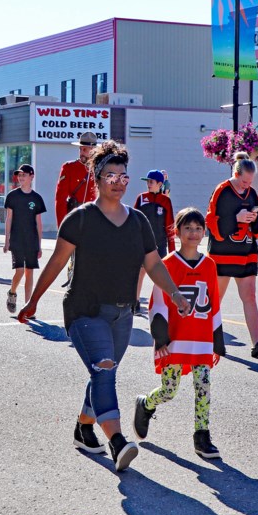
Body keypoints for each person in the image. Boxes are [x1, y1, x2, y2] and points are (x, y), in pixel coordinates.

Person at [17, 140, 191, 472]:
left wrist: (175, 294)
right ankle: (117, 441)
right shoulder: (80, 219)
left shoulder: (138, 221)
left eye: (123, 175)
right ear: (97, 178)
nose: (118, 181)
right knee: (105, 368)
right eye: (110, 175)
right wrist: (33, 300)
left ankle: (84, 428)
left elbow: (153, 264)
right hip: (85, 311)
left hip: (123, 315)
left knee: (102, 374)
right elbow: (56, 263)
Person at [133, 207, 226, 458]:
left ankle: (202, 436)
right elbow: (158, 303)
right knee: (169, 390)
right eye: (188, 228)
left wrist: (218, 339)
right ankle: (146, 403)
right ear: (177, 231)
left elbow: (214, 303)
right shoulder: (168, 264)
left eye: (198, 229)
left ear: (204, 232)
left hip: (201, 338)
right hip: (175, 338)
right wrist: (161, 337)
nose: (193, 233)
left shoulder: (210, 265)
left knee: (203, 386)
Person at [206, 152, 258, 358]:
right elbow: (212, 222)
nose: (247, 185)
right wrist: (236, 218)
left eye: (250, 182)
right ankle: (210, 340)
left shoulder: (252, 194)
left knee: (250, 297)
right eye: (244, 181)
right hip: (223, 255)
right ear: (236, 173)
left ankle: (257, 343)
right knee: (215, 299)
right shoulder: (222, 190)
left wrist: (253, 219)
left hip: (246, 253)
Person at [3, 165, 46, 314]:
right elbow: (9, 219)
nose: (21, 177)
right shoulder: (12, 196)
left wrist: (39, 245)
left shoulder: (37, 198)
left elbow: (39, 224)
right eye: (19, 175)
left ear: (31, 176)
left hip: (32, 241)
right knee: (20, 271)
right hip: (16, 239)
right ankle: (12, 293)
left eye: (24, 175)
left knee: (29, 273)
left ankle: (28, 307)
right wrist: (6, 240)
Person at [133, 170, 175, 314]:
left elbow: (170, 226)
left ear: (159, 184)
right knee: (139, 274)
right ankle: (135, 302)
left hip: (160, 245)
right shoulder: (141, 198)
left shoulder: (166, 201)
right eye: (147, 181)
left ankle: (159, 304)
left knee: (160, 276)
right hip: (142, 244)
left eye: (151, 181)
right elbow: (133, 221)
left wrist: (173, 251)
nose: (148, 184)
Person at [54, 132, 97, 227]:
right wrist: (62, 226)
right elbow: (60, 199)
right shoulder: (69, 168)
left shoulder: (100, 169)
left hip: (95, 219)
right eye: (80, 149)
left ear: (93, 150)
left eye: (85, 149)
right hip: (75, 218)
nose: (81, 152)